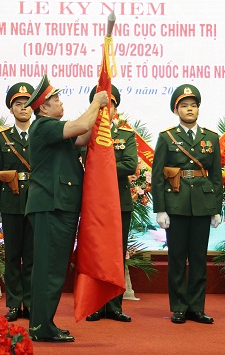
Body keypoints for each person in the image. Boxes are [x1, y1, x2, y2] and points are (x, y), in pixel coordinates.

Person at [24, 75, 108, 343]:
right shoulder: (44, 126)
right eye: (56, 100)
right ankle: (42, 327)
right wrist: (96, 102)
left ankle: (41, 324)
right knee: (49, 269)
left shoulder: (53, 130)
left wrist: (103, 116)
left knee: (52, 268)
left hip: (58, 205)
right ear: (43, 107)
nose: (61, 103)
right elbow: (82, 125)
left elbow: (83, 136)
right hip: (52, 205)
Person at [151, 84, 222, 324]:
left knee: (199, 258)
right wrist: (160, 209)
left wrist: (216, 209)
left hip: (202, 203)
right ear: (176, 110)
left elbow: (216, 176)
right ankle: (179, 306)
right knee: (177, 258)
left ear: (198, 109)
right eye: (184, 106)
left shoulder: (211, 137)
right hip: (176, 202)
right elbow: (158, 176)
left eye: (193, 105)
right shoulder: (166, 137)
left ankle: (197, 308)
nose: (189, 109)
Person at [85, 85, 137, 323]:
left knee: (117, 253)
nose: (106, 111)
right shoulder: (86, 134)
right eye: (102, 107)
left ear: (116, 110)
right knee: (95, 252)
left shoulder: (126, 136)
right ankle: (96, 304)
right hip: (94, 203)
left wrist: (101, 165)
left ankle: (115, 306)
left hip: (119, 203)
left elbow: (130, 165)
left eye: (110, 106)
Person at [0, 82, 35, 322]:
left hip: (35, 202)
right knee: (12, 256)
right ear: (11, 109)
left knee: (32, 257)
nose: (23, 108)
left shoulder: (40, 134)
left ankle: (30, 303)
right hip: (11, 202)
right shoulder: (2, 138)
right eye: (18, 104)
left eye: (27, 104)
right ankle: (13, 304)